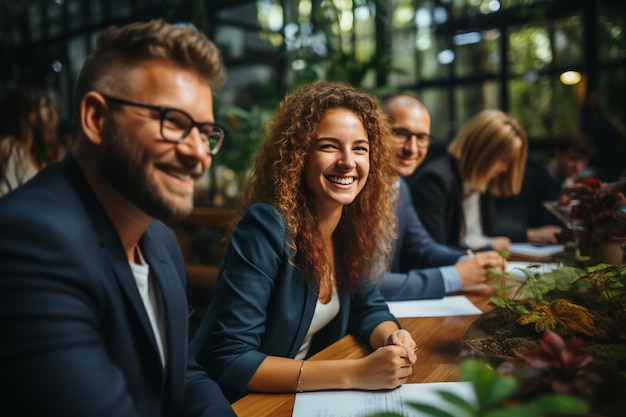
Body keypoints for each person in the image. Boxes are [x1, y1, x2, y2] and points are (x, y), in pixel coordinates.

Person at [0, 20, 235, 416]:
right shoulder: (28, 241)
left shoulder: (159, 241)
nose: (199, 154)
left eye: (206, 132)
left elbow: (184, 376)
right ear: (95, 118)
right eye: (174, 123)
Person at [190, 81, 418, 402]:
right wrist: (357, 373)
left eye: (360, 148)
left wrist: (392, 338)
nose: (348, 161)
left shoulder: (353, 224)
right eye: (328, 146)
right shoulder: (266, 226)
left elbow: (369, 305)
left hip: (307, 397)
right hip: (243, 403)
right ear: (298, 156)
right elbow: (231, 358)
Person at [379, 94, 505, 300]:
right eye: (401, 134)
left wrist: (468, 261)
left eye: (421, 138)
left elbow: (422, 246)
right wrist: (453, 276)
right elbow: (369, 287)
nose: (411, 148)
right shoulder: (354, 191)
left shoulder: (399, 186)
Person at [411, 109, 557, 252]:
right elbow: (435, 250)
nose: (505, 169)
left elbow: (489, 231)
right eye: (503, 160)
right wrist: (487, 245)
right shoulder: (434, 180)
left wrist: (531, 234)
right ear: (483, 152)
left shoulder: (477, 179)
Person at [519, 128, 595, 229]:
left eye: (583, 160)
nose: (578, 166)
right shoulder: (535, 182)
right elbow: (535, 223)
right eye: (573, 158)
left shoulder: (587, 184)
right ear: (558, 153)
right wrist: (562, 203)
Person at [0, 85, 62, 196]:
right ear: (30, 114)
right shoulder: (10, 148)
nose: (53, 113)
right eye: (45, 106)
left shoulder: (41, 157)